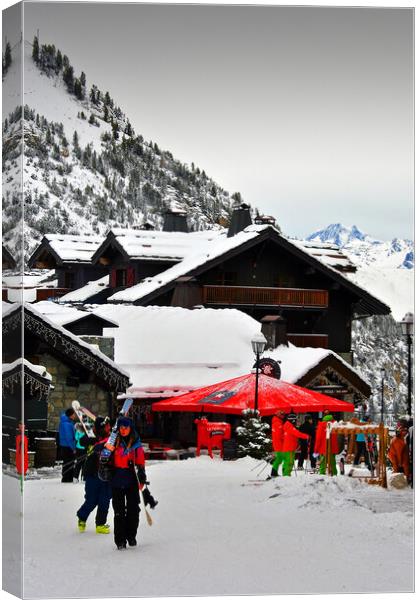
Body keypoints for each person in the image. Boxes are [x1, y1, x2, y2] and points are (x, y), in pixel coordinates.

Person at [106, 417, 147, 550]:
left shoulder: (136, 443)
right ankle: (120, 540)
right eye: (121, 428)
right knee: (119, 512)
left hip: (131, 480)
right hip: (116, 480)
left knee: (133, 510)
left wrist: (141, 476)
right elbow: (105, 455)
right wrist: (104, 459)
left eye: (126, 428)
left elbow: (140, 463)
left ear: (131, 428)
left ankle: (131, 536)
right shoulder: (113, 441)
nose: (123, 430)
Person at [77, 416, 113, 534]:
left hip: (107, 473)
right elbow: (82, 441)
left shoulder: (111, 438)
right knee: (91, 499)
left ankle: (100, 524)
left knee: (105, 499)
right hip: (92, 473)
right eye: (106, 426)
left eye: (109, 426)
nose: (109, 428)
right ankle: (82, 517)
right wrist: (95, 441)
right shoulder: (92, 437)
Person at [270, 411, 309, 477]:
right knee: (284, 460)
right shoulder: (278, 424)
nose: (283, 416)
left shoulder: (281, 423)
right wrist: (287, 438)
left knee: (284, 460)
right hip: (281, 445)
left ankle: (281, 473)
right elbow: (281, 435)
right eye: (282, 414)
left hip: (283, 445)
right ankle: (280, 473)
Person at [59, 408, 77, 482]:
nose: (75, 415)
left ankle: (67, 477)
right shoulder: (67, 424)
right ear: (70, 415)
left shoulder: (67, 422)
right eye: (74, 414)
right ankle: (67, 478)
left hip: (65, 445)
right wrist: (73, 448)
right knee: (69, 462)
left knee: (67, 462)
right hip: (68, 446)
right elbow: (69, 437)